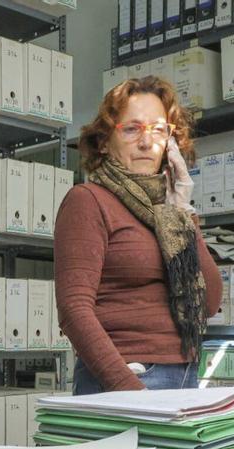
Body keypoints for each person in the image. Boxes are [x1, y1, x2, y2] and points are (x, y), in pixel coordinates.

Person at [54, 75, 222, 394]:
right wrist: (129, 389)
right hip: (127, 376)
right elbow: (73, 309)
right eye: (132, 129)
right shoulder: (88, 200)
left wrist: (182, 212)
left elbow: (209, 303)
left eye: (158, 130)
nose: (147, 143)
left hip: (184, 373)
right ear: (104, 141)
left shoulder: (170, 213)